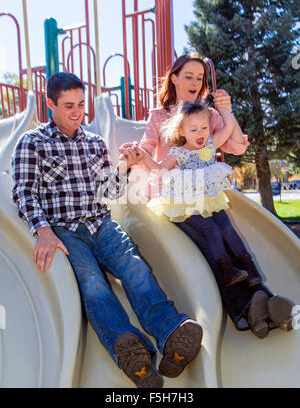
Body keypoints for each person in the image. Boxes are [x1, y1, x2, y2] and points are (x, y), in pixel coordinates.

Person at [11, 72, 203, 388]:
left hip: (101, 224)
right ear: (50, 104)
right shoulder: (33, 143)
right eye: (68, 105)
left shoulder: (94, 142)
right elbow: (24, 191)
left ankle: (171, 333)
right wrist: (43, 230)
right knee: (93, 286)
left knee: (136, 270)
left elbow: (109, 194)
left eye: (81, 104)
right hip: (65, 231)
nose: (77, 112)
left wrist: (124, 167)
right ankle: (130, 350)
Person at [121, 52, 293, 338]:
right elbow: (150, 149)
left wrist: (227, 110)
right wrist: (136, 152)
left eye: (199, 78)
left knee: (225, 233)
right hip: (176, 199)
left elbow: (236, 145)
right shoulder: (159, 116)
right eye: (188, 76)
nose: (194, 82)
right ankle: (253, 304)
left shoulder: (208, 115)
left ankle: (258, 304)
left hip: (205, 194)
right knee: (208, 239)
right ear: (174, 78)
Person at [130, 102, 262, 289]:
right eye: (193, 129)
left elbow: (230, 126)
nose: (200, 133)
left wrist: (225, 108)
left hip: (210, 197)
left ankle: (250, 269)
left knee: (227, 229)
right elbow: (159, 169)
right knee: (212, 230)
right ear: (182, 131)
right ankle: (228, 271)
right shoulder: (179, 153)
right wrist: (143, 155)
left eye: (204, 127)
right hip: (188, 202)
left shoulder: (210, 145)